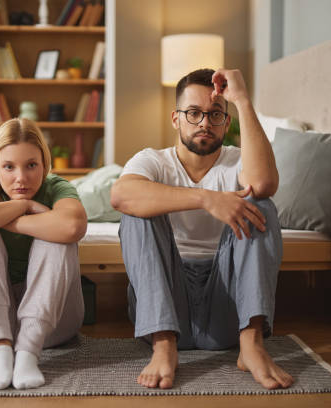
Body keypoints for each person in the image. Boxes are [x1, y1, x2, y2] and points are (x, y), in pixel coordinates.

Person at [110, 68, 294, 390]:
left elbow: (264, 183)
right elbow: (120, 196)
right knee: (137, 210)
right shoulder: (152, 160)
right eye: (193, 113)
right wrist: (207, 199)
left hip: (228, 306)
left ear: (227, 121)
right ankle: (164, 345)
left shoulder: (239, 161)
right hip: (166, 303)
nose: (204, 123)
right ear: (175, 119)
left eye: (215, 115)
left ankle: (251, 345)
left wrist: (242, 99)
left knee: (260, 202)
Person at [0, 118, 87, 390]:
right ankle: (0, 352)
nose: (21, 178)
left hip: (52, 327)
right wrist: (25, 205)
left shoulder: (57, 187)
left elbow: (72, 226)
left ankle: (27, 354)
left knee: (57, 238)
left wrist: (1, 213)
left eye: (31, 165)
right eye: (9, 167)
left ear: (45, 165)